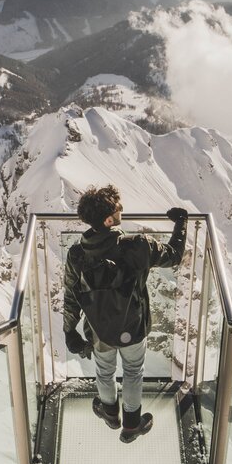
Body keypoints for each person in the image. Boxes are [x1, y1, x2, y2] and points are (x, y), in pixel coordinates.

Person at [63, 185, 188, 443]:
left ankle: (110, 413)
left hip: (98, 330)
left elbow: (72, 294)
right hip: (133, 326)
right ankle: (131, 425)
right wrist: (181, 222)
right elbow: (174, 256)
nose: (122, 209)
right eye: (118, 207)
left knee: (104, 371)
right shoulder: (137, 246)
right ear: (109, 219)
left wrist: (69, 330)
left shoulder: (76, 254)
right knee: (133, 371)